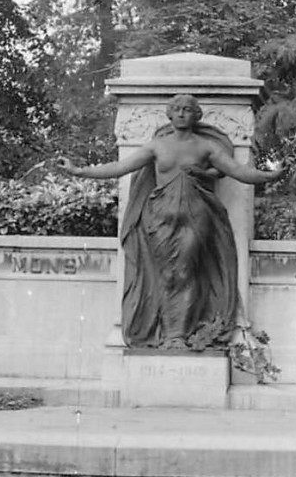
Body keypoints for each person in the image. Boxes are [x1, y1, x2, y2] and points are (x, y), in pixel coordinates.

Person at [59, 94, 281, 350]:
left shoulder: (205, 147)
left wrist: (271, 175)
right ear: (170, 114)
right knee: (166, 275)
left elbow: (240, 171)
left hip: (196, 218)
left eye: (188, 109)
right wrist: (78, 171)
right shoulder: (157, 146)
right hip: (160, 219)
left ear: (196, 115)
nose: (182, 114)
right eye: (177, 109)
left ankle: (178, 335)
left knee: (185, 271)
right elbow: (119, 167)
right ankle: (169, 333)